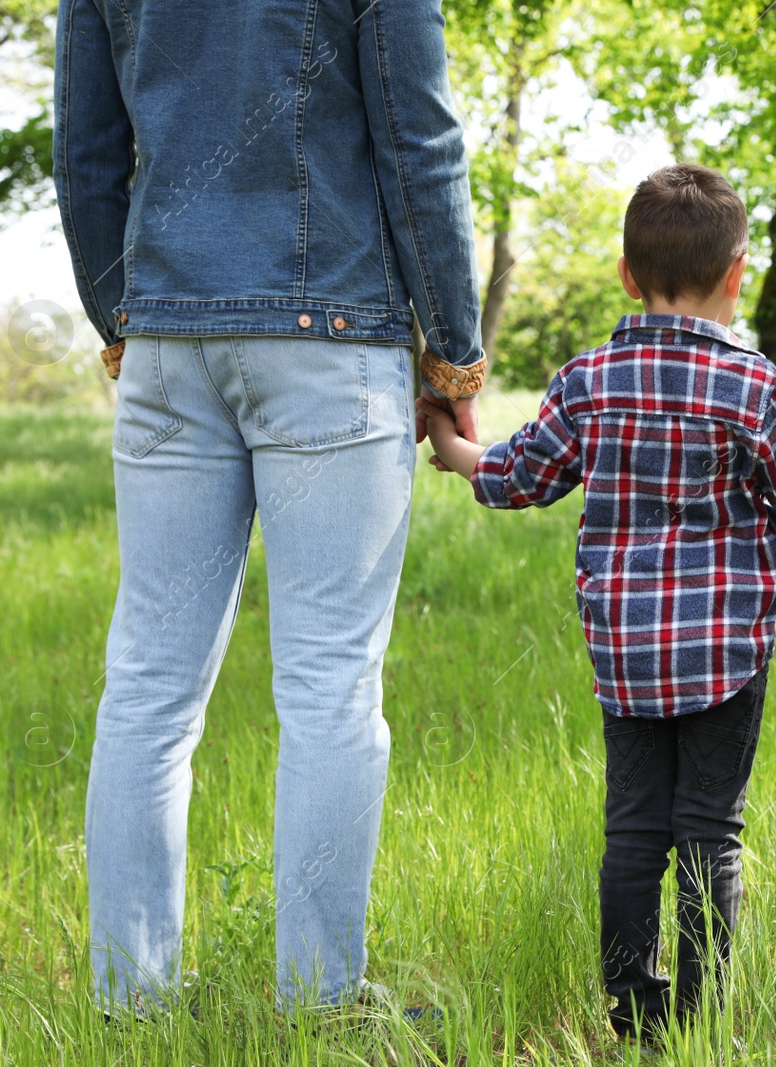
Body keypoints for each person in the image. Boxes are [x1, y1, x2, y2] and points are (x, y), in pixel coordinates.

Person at [419, 164, 776, 1045]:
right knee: (712, 831)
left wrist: (449, 437)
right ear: (738, 273)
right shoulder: (757, 388)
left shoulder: (590, 381)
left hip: (625, 655)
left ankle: (632, 1015)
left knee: (633, 829)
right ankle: (702, 1023)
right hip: (725, 657)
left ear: (628, 275)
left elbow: (515, 476)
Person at [53, 0, 484, 1011]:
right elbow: (419, 140)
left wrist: (124, 321)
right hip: (330, 333)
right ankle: (321, 999)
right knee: (331, 683)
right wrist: (452, 351)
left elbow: (83, 161)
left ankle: (131, 1000)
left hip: (168, 334)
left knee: (147, 688)